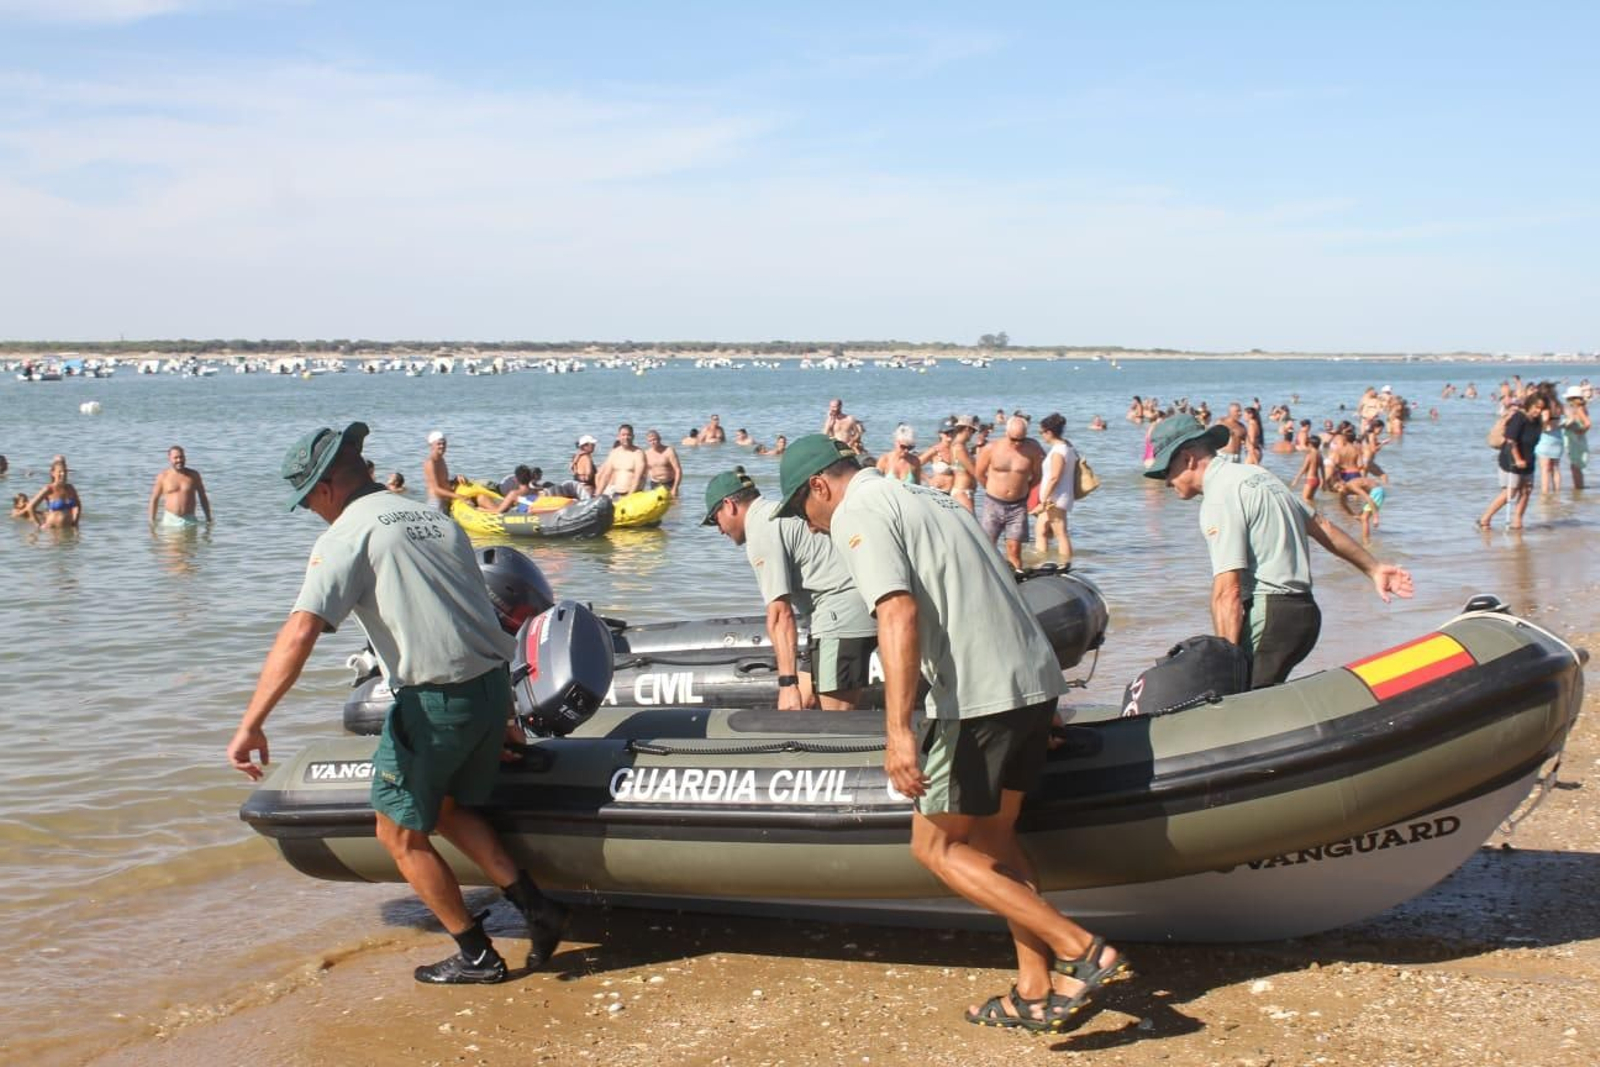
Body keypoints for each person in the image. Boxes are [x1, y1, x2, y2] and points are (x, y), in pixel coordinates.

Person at [772, 435, 1127, 1033]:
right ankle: (1035, 989)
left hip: (975, 695)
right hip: (1029, 679)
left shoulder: (860, 509)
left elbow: (897, 612)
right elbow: (1005, 586)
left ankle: (1083, 948)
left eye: (802, 511)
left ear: (820, 486)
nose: (808, 525)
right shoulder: (933, 498)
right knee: (994, 840)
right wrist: (1041, 694)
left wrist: (898, 732)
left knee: (933, 848)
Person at [227, 422, 567, 985]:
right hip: (486, 690)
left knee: (398, 835)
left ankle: (476, 954)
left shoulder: (347, 535)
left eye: (309, 499)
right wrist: (507, 716)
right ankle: (538, 908)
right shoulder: (436, 519)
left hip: (434, 702)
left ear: (328, 486)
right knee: (448, 807)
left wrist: (251, 724)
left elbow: (300, 631)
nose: (313, 511)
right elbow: (479, 616)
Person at [1146, 415, 1414, 688]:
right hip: (1305, 613)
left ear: (1189, 459)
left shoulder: (1219, 498)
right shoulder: (1258, 475)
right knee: (1264, 694)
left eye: (1167, 470)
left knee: (1241, 702)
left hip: (1272, 617)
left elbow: (1228, 594)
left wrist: (1227, 666)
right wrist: (1374, 568)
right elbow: (1322, 526)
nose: (1167, 482)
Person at [703, 467, 878, 710]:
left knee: (836, 723)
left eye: (715, 519)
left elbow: (779, 614)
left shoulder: (761, 530)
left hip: (841, 612)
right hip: (842, 609)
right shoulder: (774, 512)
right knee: (803, 704)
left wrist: (787, 684)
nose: (719, 529)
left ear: (729, 505)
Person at [975, 415, 1043, 570]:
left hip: (1018, 505)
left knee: (1014, 550)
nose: (1018, 443)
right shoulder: (991, 448)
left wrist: (1024, 492)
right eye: (1014, 439)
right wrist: (992, 489)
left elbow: (1038, 476)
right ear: (1006, 433)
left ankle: (1016, 581)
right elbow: (979, 473)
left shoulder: (1033, 449)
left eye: (1021, 439)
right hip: (993, 503)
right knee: (987, 547)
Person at [1479, 397, 1542, 530]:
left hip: (1528, 460)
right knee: (1510, 492)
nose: (1538, 411)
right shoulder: (1518, 418)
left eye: (1541, 408)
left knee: (1527, 491)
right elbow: (1511, 440)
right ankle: (1484, 519)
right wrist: (1518, 459)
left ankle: (1517, 521)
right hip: (1510, 460)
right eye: (1536, 408)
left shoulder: (1538, 421)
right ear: (1529, 406)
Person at [1032, 413, 1077, 567]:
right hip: (1057, 496)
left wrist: (1044, 499)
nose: (1041, 436)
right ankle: (1041, 562)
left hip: (1055, 498)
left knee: (1060, 533)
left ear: (1049, 432)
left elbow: (1055, 477)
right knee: (1041, 530)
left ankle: (1065, 565)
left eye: (1041, 432)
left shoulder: (1058, 451)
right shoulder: (1067, 447)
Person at [147, 445, 213, 527]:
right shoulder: (163, 476)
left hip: (190, 520)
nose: (179, 460)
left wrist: (209, 518)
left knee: (192, 540)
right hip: (170, 520)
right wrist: (151, 521)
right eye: (176, 457)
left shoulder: (193, 475)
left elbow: (203, 497)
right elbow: (154, 499)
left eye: (181, 457)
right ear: (170, 458)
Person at [595, 424, 648, 497]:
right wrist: (597, 495)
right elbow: (606, 476)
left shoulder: (638, 453)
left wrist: (629, 497)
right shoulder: (614, 453)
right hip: (617, 493)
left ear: (633, 436)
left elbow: (637, 478)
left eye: (628, 435)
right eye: (623, 435)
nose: (626, 437)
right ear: (618, 437)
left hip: (634, 494)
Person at [27, 455, 80, 529]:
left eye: (65, 471)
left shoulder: (70, 488)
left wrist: (75, 522)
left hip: (68, 530)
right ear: (53, 473)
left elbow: (78, 505)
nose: (63, 474)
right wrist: (38, 525)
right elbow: (30, 507)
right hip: (52, 531)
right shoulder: (49, 489)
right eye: (60, 472)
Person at [422, 431, 464, 513]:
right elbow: (436, 489)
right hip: (436, 503)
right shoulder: (430, 463)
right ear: (431, 445)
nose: (442, 446)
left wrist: (455, 480)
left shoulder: (441, 459)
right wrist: (459, 496)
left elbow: (443, 482)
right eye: (439, 444)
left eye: (444, 443)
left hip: (446, 500)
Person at [1563, 385, 1590, 491]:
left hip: (1576, 440)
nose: (1567, 401)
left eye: (1568, 399)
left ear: (1572, 399)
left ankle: (1578, 488)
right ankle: (1579, 488)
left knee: (1575, 466)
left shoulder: (1578, 409)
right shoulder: (1581, 408)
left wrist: (1579, 432)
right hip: (1578, 440)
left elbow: (1588, 423)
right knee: (1575, 466)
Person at [643, 429, 683, 494]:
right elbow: (644, 473)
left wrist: (675, 488)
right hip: (654, 484)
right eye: (650, 441)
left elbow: (678, 470)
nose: (653, 442)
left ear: (659, 439)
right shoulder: (646, 453)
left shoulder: (669, 451)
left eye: (654, 439)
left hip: (669, 483)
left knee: (673, 503)